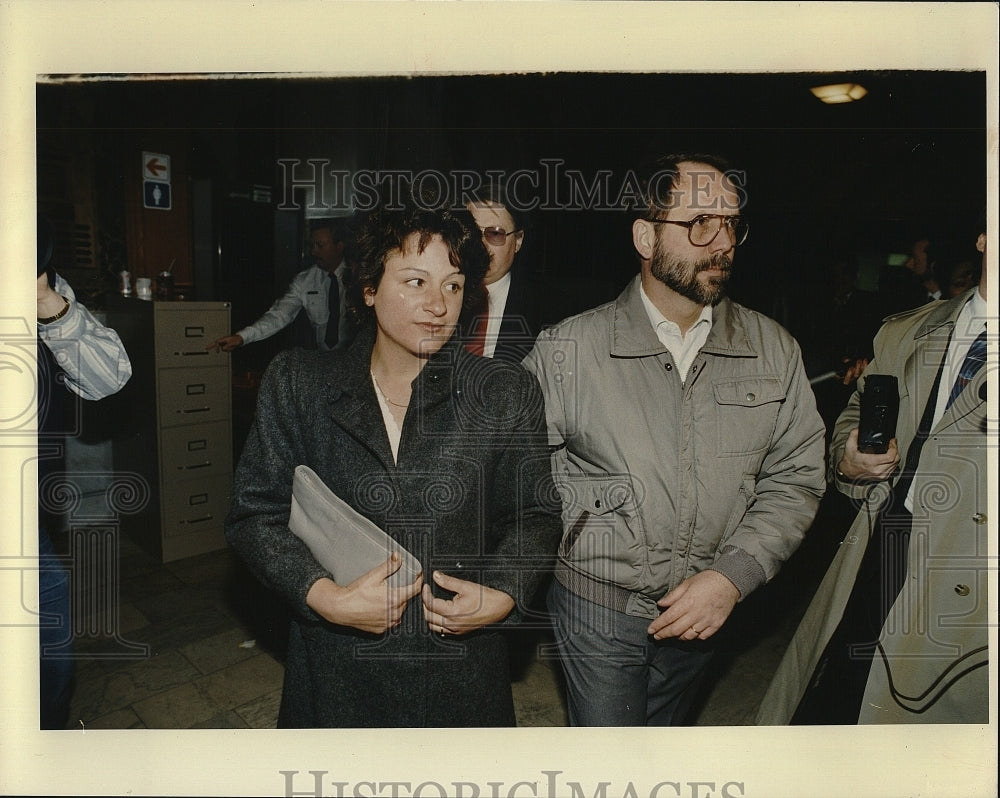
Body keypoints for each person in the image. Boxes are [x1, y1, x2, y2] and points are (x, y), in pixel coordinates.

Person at [224, 185, 562, 727]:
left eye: (454, 285)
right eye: (415, 282)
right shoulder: (299, 384)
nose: (438, 304)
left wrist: (504, 591)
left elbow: (535, 514)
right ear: (367, 290)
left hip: (459, 665)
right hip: (337, 666)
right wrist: (321, 595)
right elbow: (254, 514)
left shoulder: (503, 391)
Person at [522, 154, 827, 726]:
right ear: (645, 235)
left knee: (663, 745)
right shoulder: (570, 349)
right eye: (699, 224)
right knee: (611, 760)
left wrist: (731, 577)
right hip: (598, 603)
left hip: (708, 606)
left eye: (732, 223)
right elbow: (522, 476)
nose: (723, 243)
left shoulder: (774, 351)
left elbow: (798, 476)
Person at [756, 226, 990, 725]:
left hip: (973, 587)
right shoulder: (906, 329)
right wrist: (847, 457)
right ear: (983, 238)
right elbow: (855, 413)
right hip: (879, 550)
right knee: (837, 705)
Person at [35, 215, 132, 728]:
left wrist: (47, 304)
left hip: (27, 526)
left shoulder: (45, 285)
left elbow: (109, 377)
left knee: (52, 668)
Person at [207, 218, 356, 352]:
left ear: (339, 246)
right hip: (326, 361)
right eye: (312, 245)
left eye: (320, 245)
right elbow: (279, 315)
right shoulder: (305, 280)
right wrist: (242, 337)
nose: (314, 251)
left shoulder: (359, 277)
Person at [462, 180, 542, 362]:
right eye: (473, 233)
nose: (481, 245)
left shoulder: (545, 310)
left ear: (518, 240)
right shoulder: (439, 298)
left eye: (495, 234)